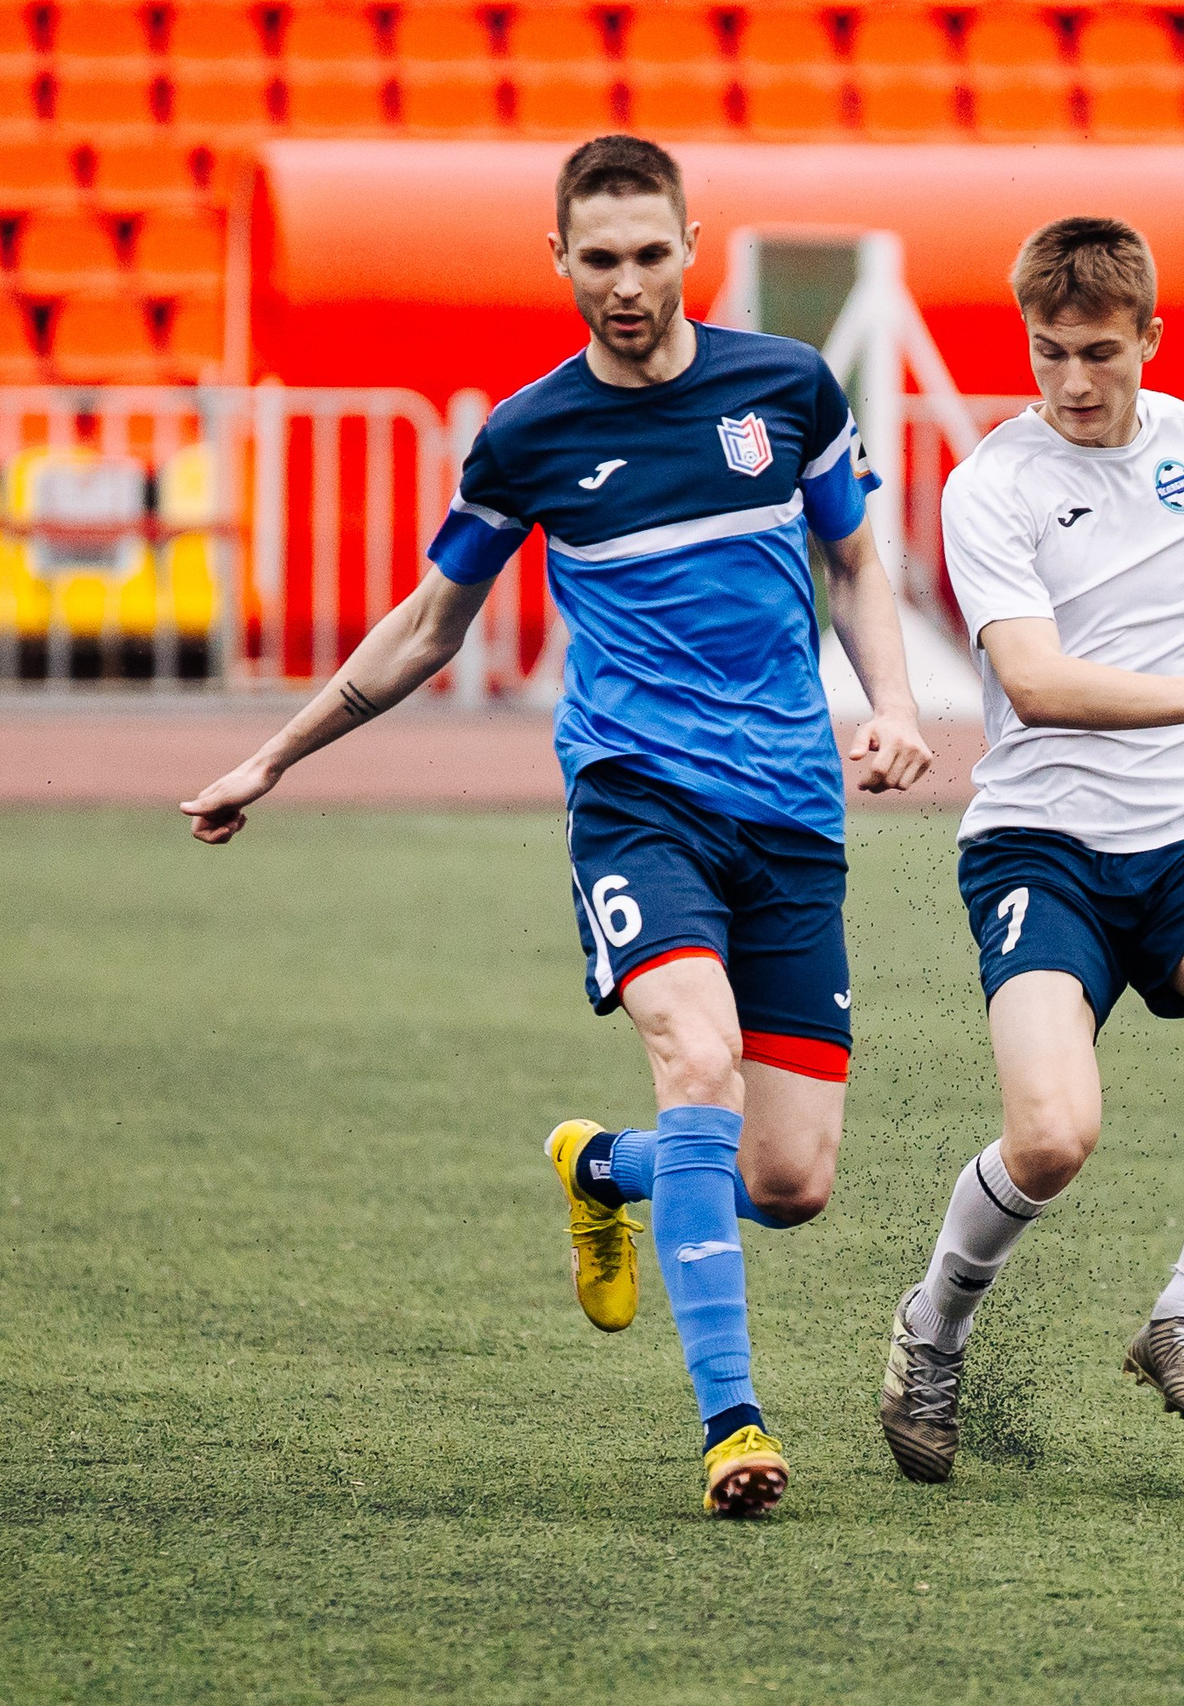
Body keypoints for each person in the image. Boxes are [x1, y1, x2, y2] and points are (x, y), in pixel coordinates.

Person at [180, 135, 934, 1519]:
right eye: (601, 260)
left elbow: (852, 558)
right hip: (637, 800)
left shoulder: (787, 389)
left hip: (793, 813)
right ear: (559, 261)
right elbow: (429, 625)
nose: (628, 283)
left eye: (652, 254)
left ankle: (602, 1165)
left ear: (693, 245)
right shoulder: (529, 436)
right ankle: (734, 1425)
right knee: (695, 1053)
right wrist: (271, 757)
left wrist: (890, 702)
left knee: (790, 1177)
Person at [872, 217, 1184, 1484]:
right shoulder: (993, 483)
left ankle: (1182, 1312)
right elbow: (1035, 681)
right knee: (1051, 1139)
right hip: (1042, 852)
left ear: (1149, 337)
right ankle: (933, 1329)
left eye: (1097, 351)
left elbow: (1171, 645)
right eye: (1047, 353)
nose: (1073, 382)